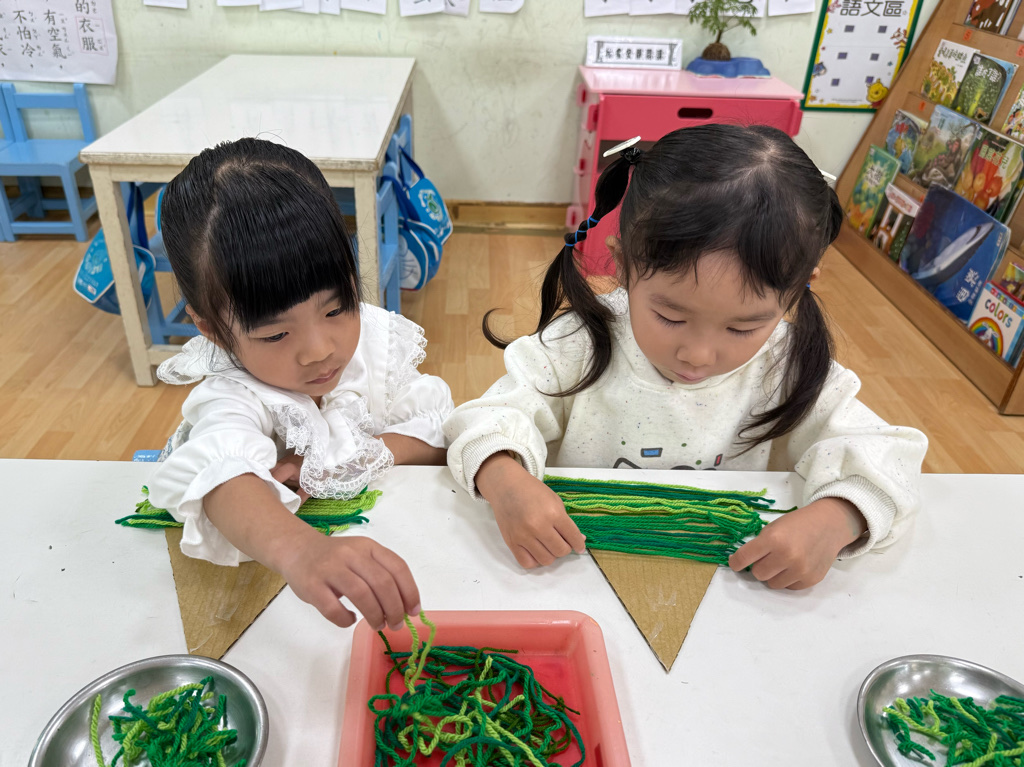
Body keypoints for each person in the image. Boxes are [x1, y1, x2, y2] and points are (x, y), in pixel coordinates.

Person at [445, 125, 928, 590]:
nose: (697, 354)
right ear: (623, 264)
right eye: (670, 316)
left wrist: (839, 517)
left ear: (799, 289)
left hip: (734, 589)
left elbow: (887, 458)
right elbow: (488, 417)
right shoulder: (578, 343)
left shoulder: (789, 365)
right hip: (574, 572)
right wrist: (505, 480)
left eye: (742, 327)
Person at [149, 138, 453, 629]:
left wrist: (337, 461)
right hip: (271, 596)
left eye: (336, 308)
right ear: (212, 330)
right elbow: (221, 478)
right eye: (275, 334)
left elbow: (440, 431)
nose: (319, 349)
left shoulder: (376, 345)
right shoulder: (234, 390)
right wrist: (299, 549)